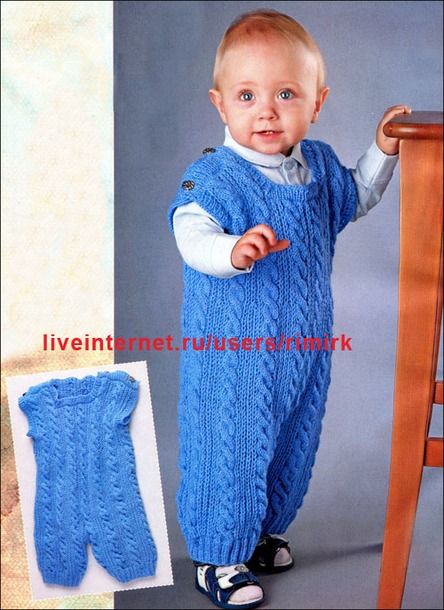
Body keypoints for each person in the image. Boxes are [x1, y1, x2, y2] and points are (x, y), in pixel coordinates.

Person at [168, 9, 410, 609]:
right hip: (234, 358)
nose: (267, 112)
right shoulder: (215, 176)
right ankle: (218, 556)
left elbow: (357, 195)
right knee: (231, 448)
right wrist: (232, 250)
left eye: (285, 94)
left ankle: (259, 534)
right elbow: (190, 232)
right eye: (247, 96)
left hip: (302, 352)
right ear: (221, 105)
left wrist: (383, 150)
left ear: (316, 103)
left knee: (289, 446)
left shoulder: (318, 167)